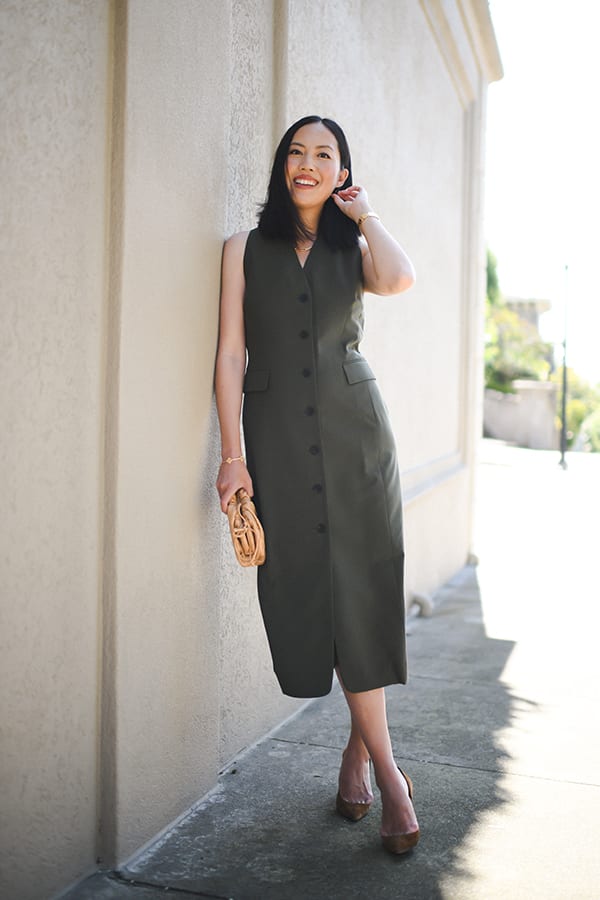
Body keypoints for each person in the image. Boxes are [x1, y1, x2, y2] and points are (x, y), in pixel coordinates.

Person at [215, 115, 419, 854]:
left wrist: (365, 214)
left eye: (324, 155)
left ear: (341, 172)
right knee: (309, 592)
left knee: (361, 594)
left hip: (358, 438)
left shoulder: (355, 248)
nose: (308, 163)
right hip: (277, 446)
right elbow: (230, 354)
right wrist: (232, 455)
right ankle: (359, 757)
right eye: (298, 152)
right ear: (282, 165)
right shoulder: (243, 248)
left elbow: (400, 277)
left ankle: (384, 774)